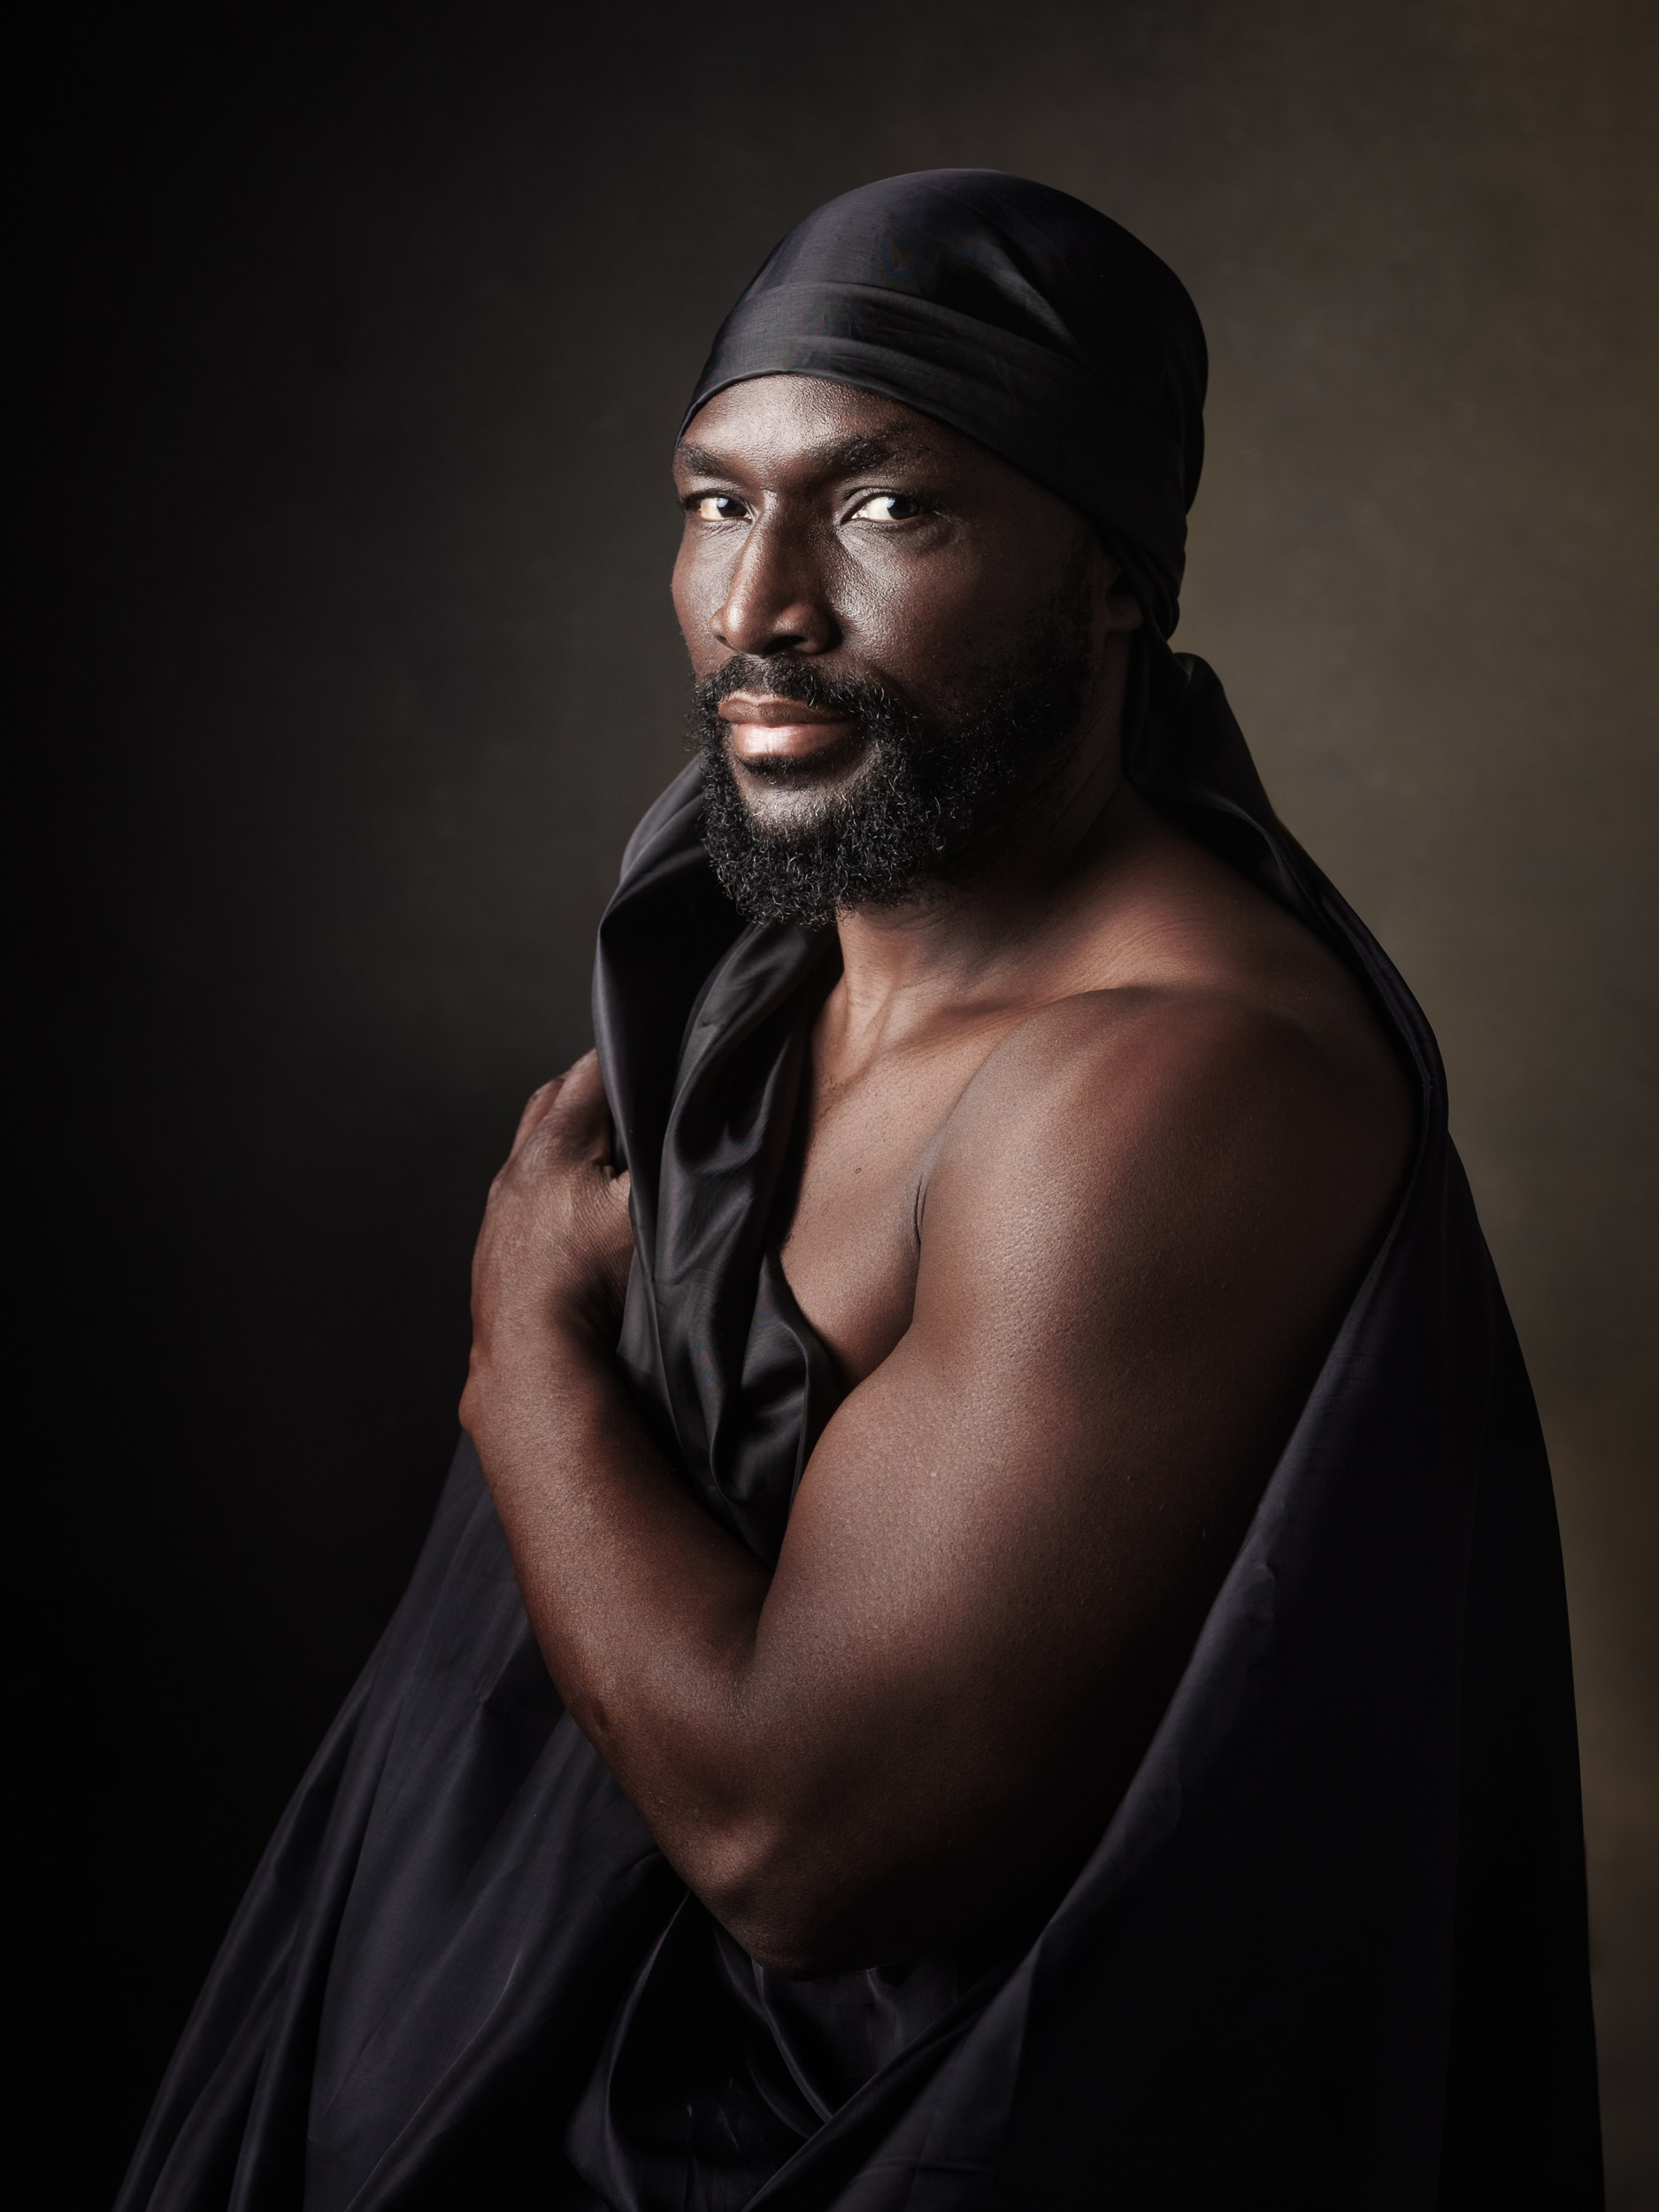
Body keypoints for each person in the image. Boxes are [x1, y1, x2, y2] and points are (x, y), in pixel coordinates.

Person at [118, 171, 1602, 2210]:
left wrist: (524, 1348)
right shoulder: (764, 950)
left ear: (1109, 576)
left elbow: (794, 1845)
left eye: (886, 508)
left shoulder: (1162, 1085)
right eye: (715, 502)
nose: (758, 608)